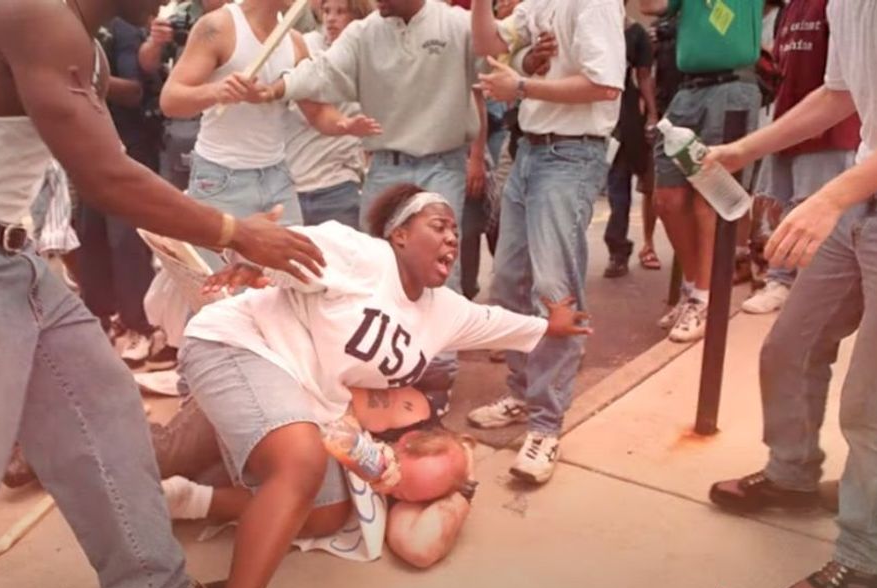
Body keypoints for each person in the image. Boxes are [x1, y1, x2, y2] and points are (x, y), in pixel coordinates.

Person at [0, 0, 327, 588]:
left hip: (12, 256)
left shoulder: (80, 44)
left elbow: (110, 166)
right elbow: (105, 178)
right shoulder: (31, 13)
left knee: (104, 417)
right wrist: (234, 231)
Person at [177, 183, 590, 588]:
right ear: (399, 235)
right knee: (298, 464)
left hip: (299, 395)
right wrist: (255, 258)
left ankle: (191, 499)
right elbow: (291, 249)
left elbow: (495, 322)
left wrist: (550, 326)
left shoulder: (443, 311)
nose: (453, 238)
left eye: (457, 230)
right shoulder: (361, 256)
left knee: (325, 515)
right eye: (439, 226)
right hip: (240, 345)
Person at [704, 0, 877, 588]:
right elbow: (838, 95)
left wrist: (832, 195)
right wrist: (744, 149)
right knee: (789, 347)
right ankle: (793, 472)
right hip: (870, 196)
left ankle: (863, 559)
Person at [266, 0, 491, 410]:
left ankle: (436, 381)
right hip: (385, 166)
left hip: (442, 165)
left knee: (438, 275)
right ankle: (389, 375)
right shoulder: (364, 33)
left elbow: (494, 64)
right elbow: (320, 74)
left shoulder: (456, 25)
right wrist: (275, 87)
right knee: (377, 278)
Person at [465, 0, 625, 484]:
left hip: (571, 155)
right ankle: (522, 392)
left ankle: (546, 425)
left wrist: (522, 85)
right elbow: (489, 43)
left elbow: (606, 82)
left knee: (554, 292)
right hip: (531, 149)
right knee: (510, 283)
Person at [151, 386, 478, 570]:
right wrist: (354, 442)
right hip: (255, 403)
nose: (395, 491)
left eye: (407, 498)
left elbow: (418, 549)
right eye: (402, 480)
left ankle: (189, 498)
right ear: (406, 443)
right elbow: (317, 397)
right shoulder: (404, 411)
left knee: (324, 509)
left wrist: (463, 486)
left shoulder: (422, 484)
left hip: (260, 458)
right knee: (160, 457)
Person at [159, 0, 379, 228]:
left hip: (277, 175)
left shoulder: (294, 42)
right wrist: (216, 91)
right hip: (220, 174)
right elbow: (170, 100)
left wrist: (345, 125)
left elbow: (317, 112)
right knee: (219, 263)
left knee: (291, 262)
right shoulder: (219, 26)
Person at [640, 0, 763, 343]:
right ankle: (694, 288)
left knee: (707, 199)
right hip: (688, 89)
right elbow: (651, 4)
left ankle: (704, 299)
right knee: (667, 197)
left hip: (732, 85)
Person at [739, 0, 860, 315]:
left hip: (829, 131)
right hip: (788, 121)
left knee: (814, 211)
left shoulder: (836, 5)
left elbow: (840, 87)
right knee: (779, 208)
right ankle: (779, 280)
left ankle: (810, 288)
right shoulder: (790, 9)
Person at [77, 17, 161, 365]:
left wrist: (86, 78)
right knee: (88, 238)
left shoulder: (122, 28)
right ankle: (104, 322)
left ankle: (140, 326)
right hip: (89, 148)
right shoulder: (70, 26)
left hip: (129, 147)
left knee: (125, 242)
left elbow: (133, 90)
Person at [283, 0, 375, 229]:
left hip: (339, 184)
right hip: (291, 183)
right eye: (326, 11)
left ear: (358, 17)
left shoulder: (370, 57)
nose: (331, 18)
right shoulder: (304, 47)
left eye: (340, 12)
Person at [138, 0, 230, 191]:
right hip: (187, 121)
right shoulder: (183, 13)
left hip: (231, 122)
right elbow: (147, 64)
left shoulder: (246, 13)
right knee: (177, 195)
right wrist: (155, 41)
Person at [603, 2, 659, 279]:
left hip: (623, 118)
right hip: (589, 110)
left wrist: (652, 114)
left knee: (618, 186)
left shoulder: (636, 34)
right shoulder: (594, 26)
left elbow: (644, 76)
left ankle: (618, 250)